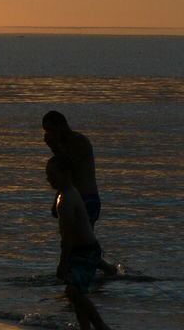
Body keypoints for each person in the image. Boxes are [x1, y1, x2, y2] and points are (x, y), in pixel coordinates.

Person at [43, 110, 118, 275]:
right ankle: (106, 271)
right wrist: (57, 201)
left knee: (82, 242)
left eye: (51, 130)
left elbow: (68, 166)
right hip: (74, 198)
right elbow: (65, 178)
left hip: (88, 199)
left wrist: (54, 146)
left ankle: (82, 275)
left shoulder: (79, 142)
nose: (49, 135)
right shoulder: (63, 146)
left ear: (61, 126)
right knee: (79, 242)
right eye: (46, 132)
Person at [45, 155, 113, 330]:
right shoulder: (64, 194)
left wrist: (63, 262)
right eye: (47, 175)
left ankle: (100, 326)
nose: (49, 179)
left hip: (86, 251)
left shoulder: (67, 198)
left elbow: (66, 236)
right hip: (79, 251)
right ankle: (86, 327)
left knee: (74, 292)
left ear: (67, 175)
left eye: (53, 175)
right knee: (75, 293)